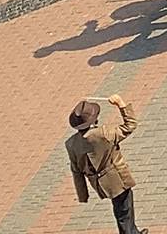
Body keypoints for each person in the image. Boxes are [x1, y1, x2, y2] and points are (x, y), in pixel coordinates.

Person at [66, 95, 143, 234]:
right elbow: (130, 125)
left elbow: (76, 171)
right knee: (124, 211)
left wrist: (83, 195)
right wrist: (121, 104)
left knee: (122, 210)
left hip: (100, 184)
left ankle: (133, 231)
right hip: (118, 180)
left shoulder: (71, 144)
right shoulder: (103, 133)